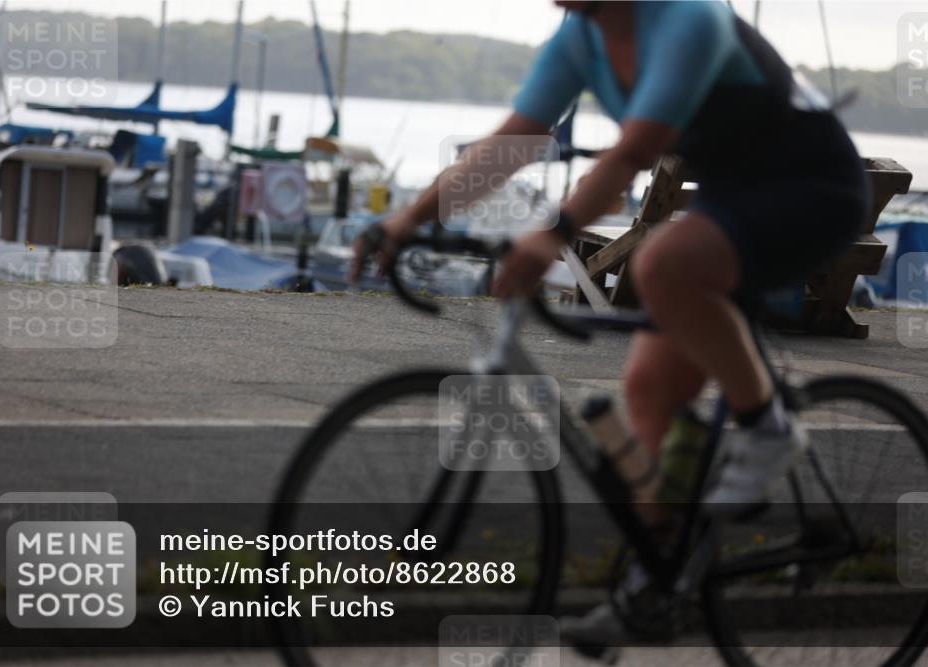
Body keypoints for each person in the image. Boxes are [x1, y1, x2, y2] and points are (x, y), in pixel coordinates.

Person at [351, 0, 868, 646]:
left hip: (815, 190)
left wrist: (554, 234)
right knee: (647, 392)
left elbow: (633, 154)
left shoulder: (688, 18)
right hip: (735, 199)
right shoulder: (581, 40)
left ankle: (766, 427)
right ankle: (655, 588)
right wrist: (408, 220)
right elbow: (508, 146)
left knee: (661, 263)